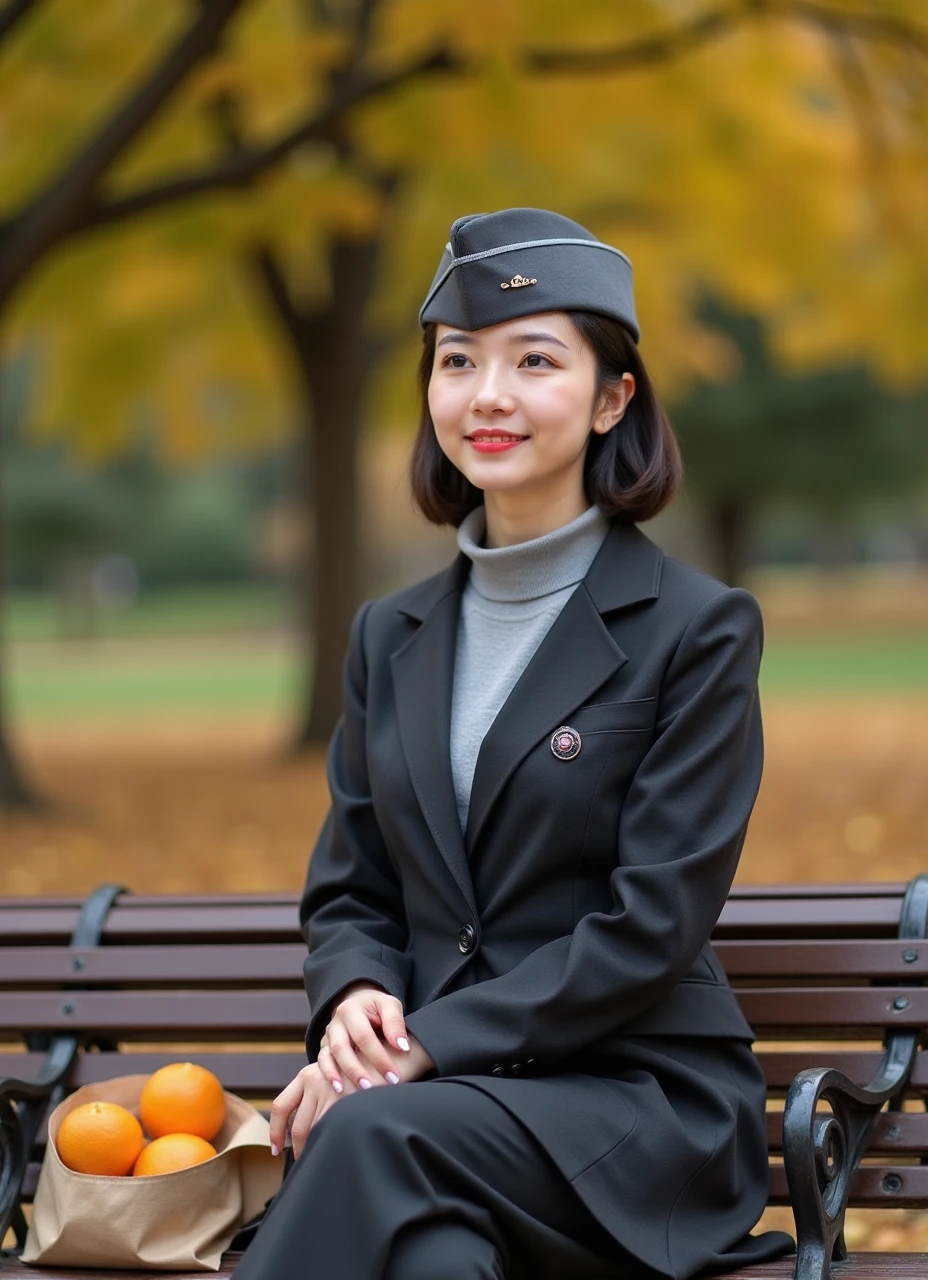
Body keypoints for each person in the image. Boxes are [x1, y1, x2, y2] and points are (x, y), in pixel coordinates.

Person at [232, 208, 795, 1280]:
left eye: (534, 360)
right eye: (458, 363)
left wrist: (422, 1045)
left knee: (363, 1140)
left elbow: (650, 928)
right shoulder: (387, 634)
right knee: (433, 1258)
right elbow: (352, 888)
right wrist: (355, 1001)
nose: (486, 395)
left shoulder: (696, 628)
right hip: (438, 1120)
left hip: (636, 1109)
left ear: (612, 397)